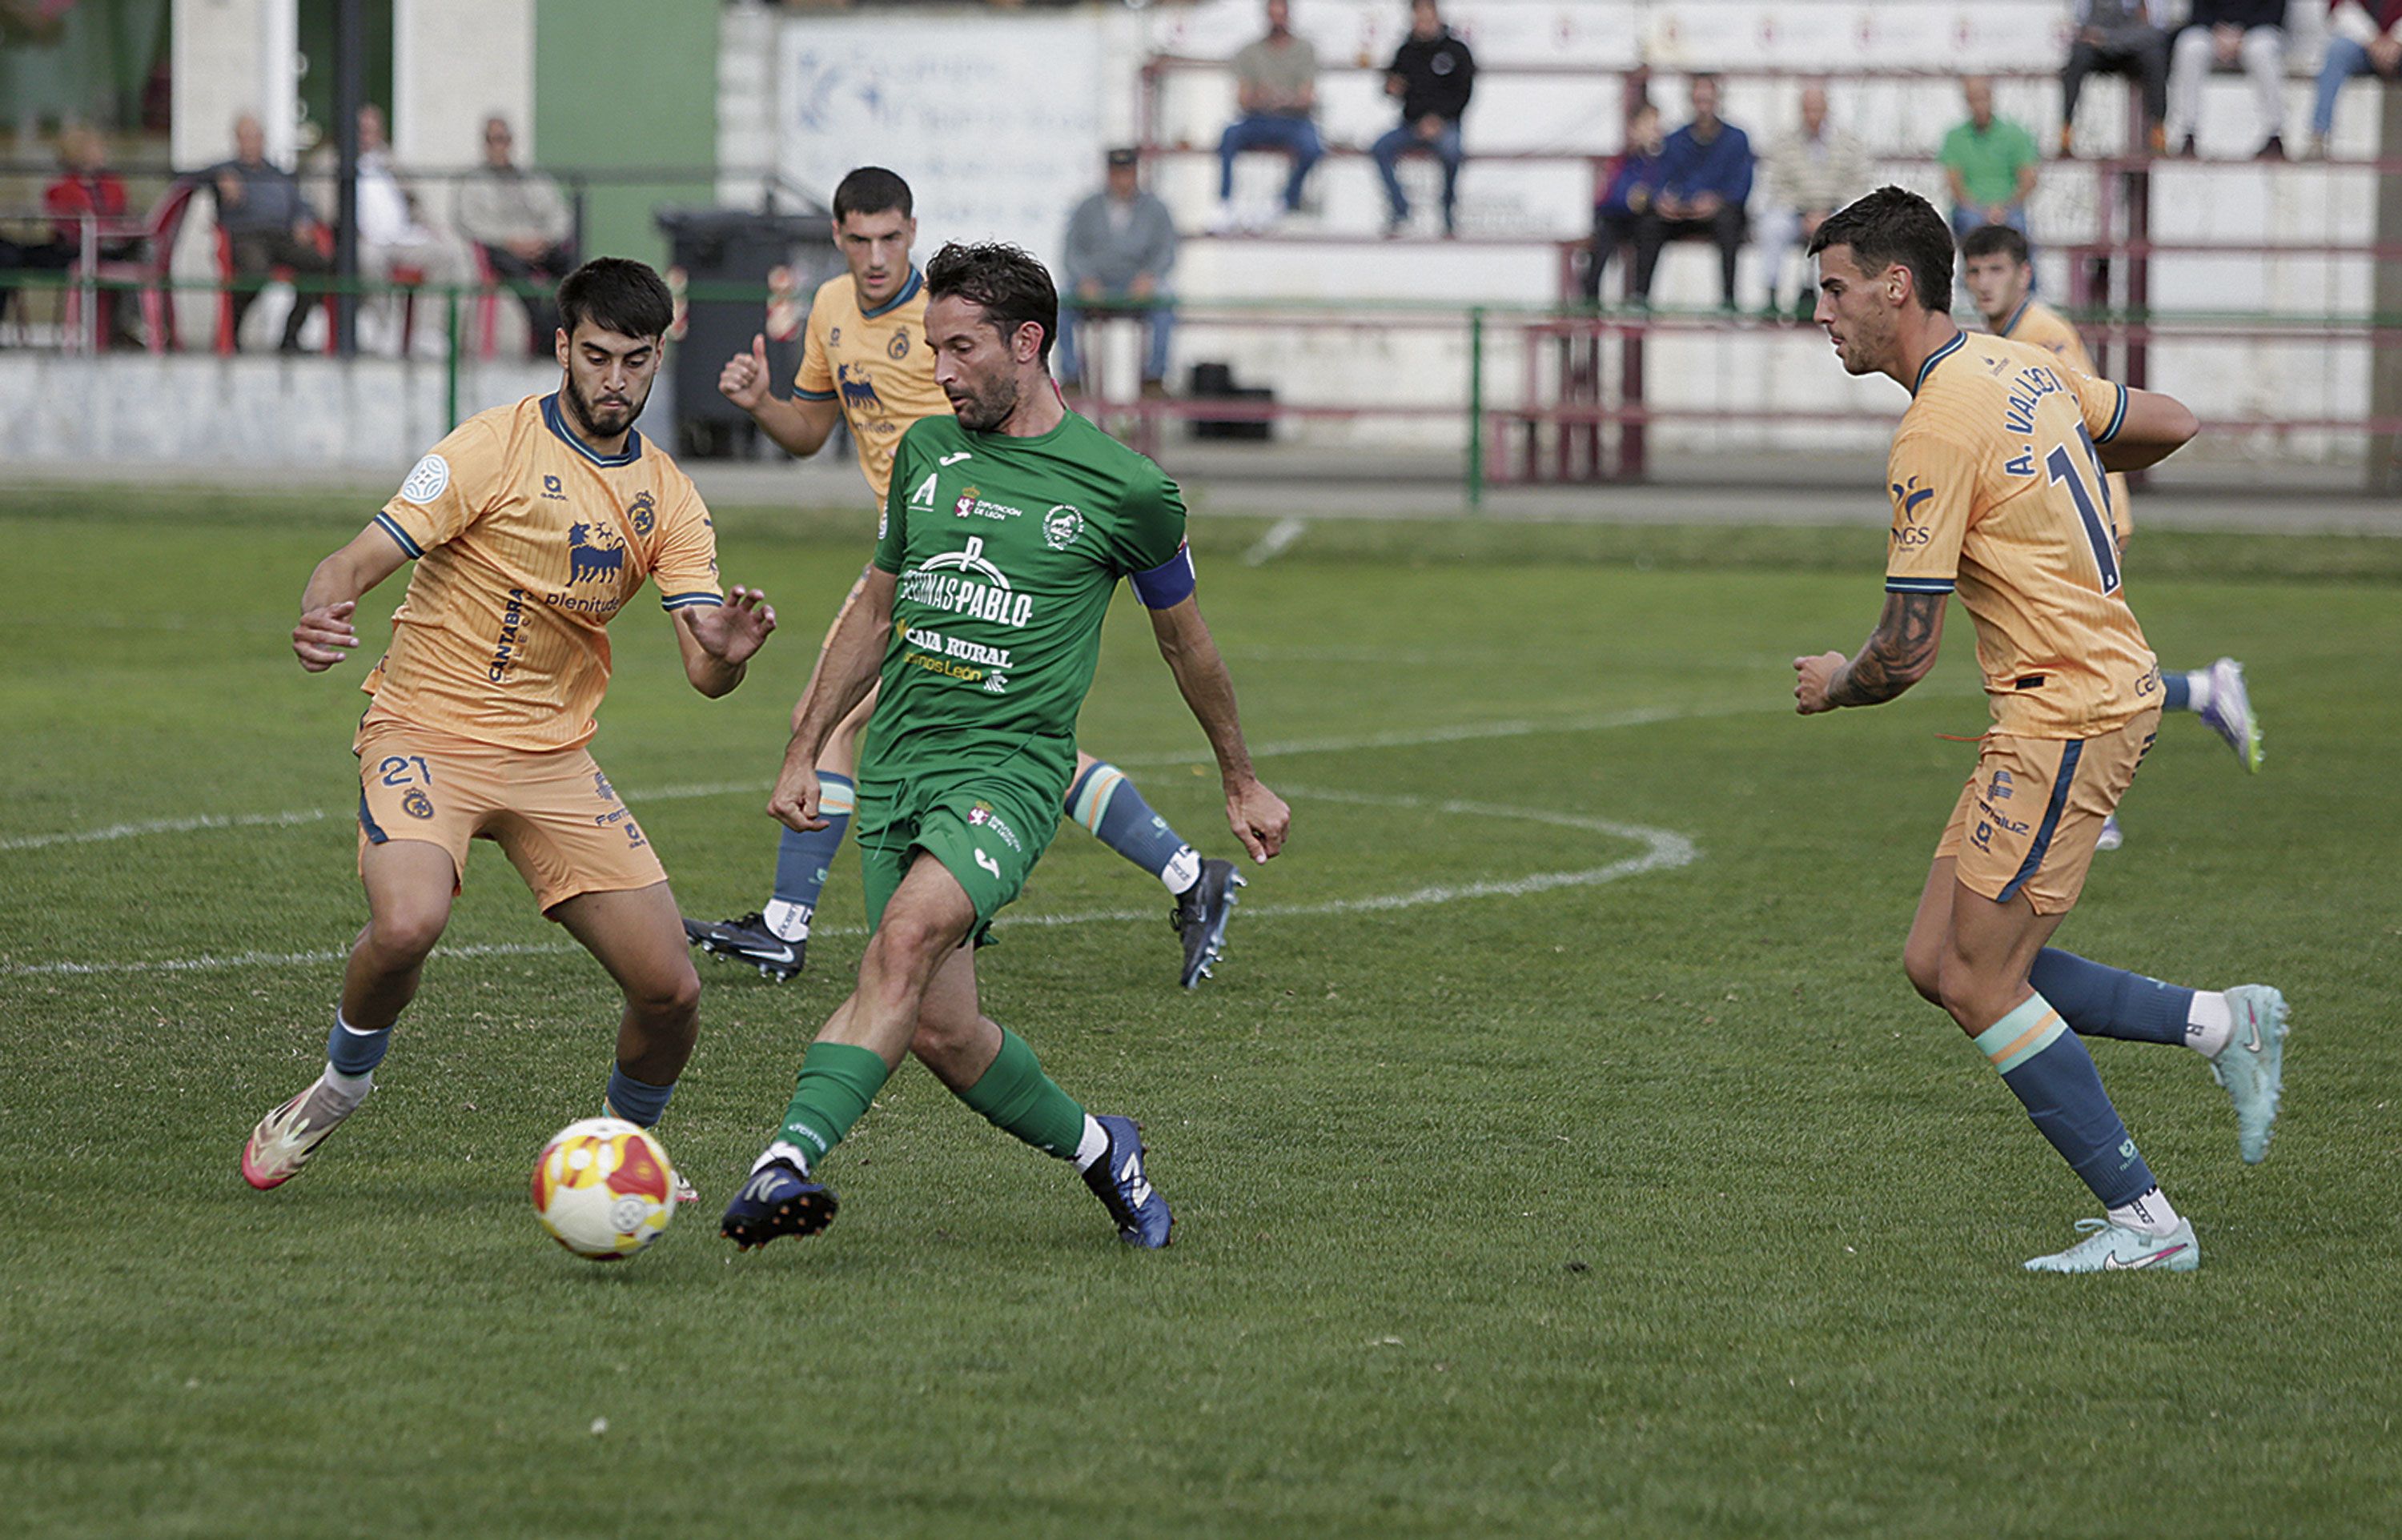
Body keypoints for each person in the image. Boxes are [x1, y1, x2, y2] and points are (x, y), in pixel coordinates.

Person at [719, 241, 1291, 1253]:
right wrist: (806, 745)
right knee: (940, 1029)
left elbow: (1186, 643)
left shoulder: (1129, 491)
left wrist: (1239, 779)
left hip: (1009, 772)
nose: (940, 371)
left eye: (961, 348)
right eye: (934, 347)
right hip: (897, 763)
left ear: (1028, 343)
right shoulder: (927, 456)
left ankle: (786, 1161)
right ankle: (1104, 1149)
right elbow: (877, 609)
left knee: (897, 946)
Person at [1795, 186, 2288, 1273]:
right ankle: (2220, 1024)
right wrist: (2051, 463)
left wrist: (1837, 684)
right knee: (1939, 960)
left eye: (1833, 289)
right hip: (2073, 702)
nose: (1819, 311)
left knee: (1981, 979)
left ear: (1895, 284)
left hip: (2068, 714)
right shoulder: (2019, 367)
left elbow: (1906, 654)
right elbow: (2169, 422)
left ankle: (2149, 1223)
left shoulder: (1933, 430)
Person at [242, 259, 777, 1200]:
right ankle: (336, 1090)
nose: (616, 380)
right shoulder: (489, 447)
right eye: (599, 356)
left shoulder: (671, 498)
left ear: (661, 356)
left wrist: (728, 651)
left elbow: (705, 673)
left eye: (637, 362)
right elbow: (355, 557)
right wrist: (322, 608)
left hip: (551, 759)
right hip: (425, 730)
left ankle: (621, 1152)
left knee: (673, 990)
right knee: (408, 923)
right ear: (564, 347)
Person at [686, 168, 1247, 992]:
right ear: (836, 239)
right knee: (1011, 741)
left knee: (840, 720)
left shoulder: (954, 317)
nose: (876, 257)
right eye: (858, 240)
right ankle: (1188, 874)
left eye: (891, 238)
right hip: (913, 546)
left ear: (911, 232)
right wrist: (765, 401)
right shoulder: (833, 311)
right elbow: (810, 432)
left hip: (976, 551)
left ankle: (786, 923)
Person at [1958, 222, 2264, 852]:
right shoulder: (2013, 336)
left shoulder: (2042, 337)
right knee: (2078, 660)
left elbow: (2073, 424)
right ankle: (2204, 694)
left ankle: (2116, 783)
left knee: (2082, 664)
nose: (1984, 282)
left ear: (2025, 275)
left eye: (1996, 270)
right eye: (1976, 271)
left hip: (2081, 515)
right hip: (2070, 514)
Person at [208, 112, 334, 353]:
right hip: (246, 235)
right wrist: (217, 177)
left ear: (263, 139)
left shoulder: (278, 174)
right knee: (255, 272)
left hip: (282, 236)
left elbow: (303, 204)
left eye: (256, 136)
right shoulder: (227, 170)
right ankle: (230, 333)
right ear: (236, 140)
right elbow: (187, 177)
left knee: (318, 265)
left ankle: (290, 337)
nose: (251, 142)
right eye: (245, 137)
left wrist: (303, 220)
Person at [1058, 146, 1179, 395]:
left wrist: (1149, 277)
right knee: (1062, 306)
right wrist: (1084, 279)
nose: (1123, 180)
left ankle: (1155, 377)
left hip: (1137, 282)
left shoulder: (1155, 208)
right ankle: (1071, 376)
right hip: (1095, 283)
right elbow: (1071, 250)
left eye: (1128, 173)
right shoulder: (1087, 207)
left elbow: (1167, 250)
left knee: (1165, 306)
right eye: (1117, 173)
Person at [1631, 73, 1753, 311]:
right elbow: (1660, 181)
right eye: (1699, 100)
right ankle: (1640, 297)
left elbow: (1742, 186)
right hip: (1681, 214)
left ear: (1718, 101)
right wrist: (1665, 202)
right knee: (1649, 223)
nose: (1704, 106)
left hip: (1719, 213)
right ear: (1691, 101)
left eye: (1708, 100)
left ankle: (1728, 300)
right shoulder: (1675, 140)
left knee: (1730, 222)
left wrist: (1717, 201)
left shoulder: (1737, 139)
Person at [454, 114, 576, 350]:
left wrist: (544, 240)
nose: (499, 146)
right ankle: (545, 339)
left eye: (503, 139)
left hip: (539, 246)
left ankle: (562, 332)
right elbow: (469, 222)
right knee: (521, 279)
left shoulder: (532, 178)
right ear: (485, 144)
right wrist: (509, 241)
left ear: (511, 142)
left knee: (572, 268)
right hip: (502, 250)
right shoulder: (473, 181)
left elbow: (559, 215)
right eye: (493, 140)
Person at [1757, 80, 1868, 319]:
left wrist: (1828, 216)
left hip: (1835, 212)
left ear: (1827, 109)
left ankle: (1847, 296)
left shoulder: (1847, 144)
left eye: (1817, 109)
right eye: (1808, 109)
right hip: (1796, 212)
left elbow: (1858, 184)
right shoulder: (1784, 143)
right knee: (1772, 226)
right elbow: (1776, 184)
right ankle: (1771, 293)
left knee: (1855, 228)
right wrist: (1803, 214)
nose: (1813, 115)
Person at [1213, 0, 1323, 231]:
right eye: (1273, 14)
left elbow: (1307, 97)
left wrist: (1274, 96)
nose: (1278, 19)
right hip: (1258, 120)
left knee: (1313, 148)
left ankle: (1283, 201)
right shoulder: (1249, 51)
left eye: (1281, 14)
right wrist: (1274, 97)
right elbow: (1242, 99)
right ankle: (1225, 204)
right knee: (1228, 137)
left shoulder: (1305, 49)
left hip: (1294, 121)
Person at [1372, 0, 1475, 238]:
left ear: (1437, 17)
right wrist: (1390, 88)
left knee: (1451, 151)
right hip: (1411, 126)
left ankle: (1448, 212)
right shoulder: (1406, 51)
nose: (1423, 23)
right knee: (1380, 147)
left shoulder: (1456, 51)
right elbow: (1392, 86)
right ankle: (1400, 209)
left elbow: (1464, 94)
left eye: (1427, 17)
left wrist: (1438, 120)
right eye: (1419, 18)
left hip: (1445, 125)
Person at [2165, 0, 2288, 159]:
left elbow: (2275, 10)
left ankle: (2274, 134)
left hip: (2259, 29)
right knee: (2191, 47)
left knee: (2262, 50)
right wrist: (2218, 31)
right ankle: (2187, 133)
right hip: (2213, 31)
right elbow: (2198, 10)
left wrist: (2241, 33)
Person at [2060, 0, 2172, 158]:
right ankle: (2066, 130)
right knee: (2078, 56)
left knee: (2155, 58)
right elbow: (2080, 26)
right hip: (2098, 51)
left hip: (2133, 50)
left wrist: (2107, 39)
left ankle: (2158, 130)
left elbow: (2158, 32)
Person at [1939, 77, 2041, 244]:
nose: (1978, 105)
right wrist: (1982, 211)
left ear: (1991, 97)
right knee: (1971, 227)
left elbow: (2028, 179)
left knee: (2020, 241)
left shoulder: (2016, 134)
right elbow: (1954, 184)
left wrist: (2003, 208)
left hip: (2010, 209)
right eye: (1972, 99)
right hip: (1970, 210)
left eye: (1982, 97)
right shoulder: (1954, 137)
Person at [1584, 101, 1666, 303]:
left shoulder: (1659, 160)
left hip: (1642, 221)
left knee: (1651, 230)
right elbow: (1608, 196)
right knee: (1601, 241)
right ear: (1634, 128)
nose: (1654, 131)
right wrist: (1631, 198)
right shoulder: (1623, 159)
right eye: (1648, 125)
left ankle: (1640, 296)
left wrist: (1645, 198)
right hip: (1616, 218)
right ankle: (1591, 301)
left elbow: (1657, 190)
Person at [2308, 1, 2402, 159]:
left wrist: (2396, 41)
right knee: (2337, 51)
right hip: (2362, 43)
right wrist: (2373, 40)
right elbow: (2340, 8)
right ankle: (2319, 134)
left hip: (2398, 44)